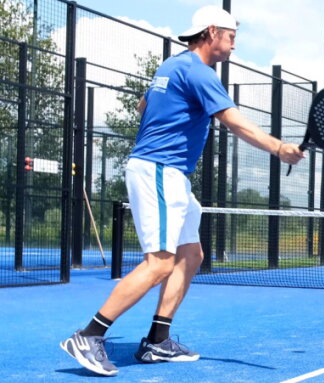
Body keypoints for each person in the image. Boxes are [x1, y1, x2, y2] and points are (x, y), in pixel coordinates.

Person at [60, 5, 303, 376]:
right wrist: (279, 148)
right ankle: (89, 335)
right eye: (231, 37)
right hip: (159, 170)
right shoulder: (199, 72)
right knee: (159, 263)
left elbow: (144, 104)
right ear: (212, 32)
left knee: (191, 255)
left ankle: (157, 340)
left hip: (169, 172)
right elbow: (235, 122)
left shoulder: (171, 66)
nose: (234, 46)